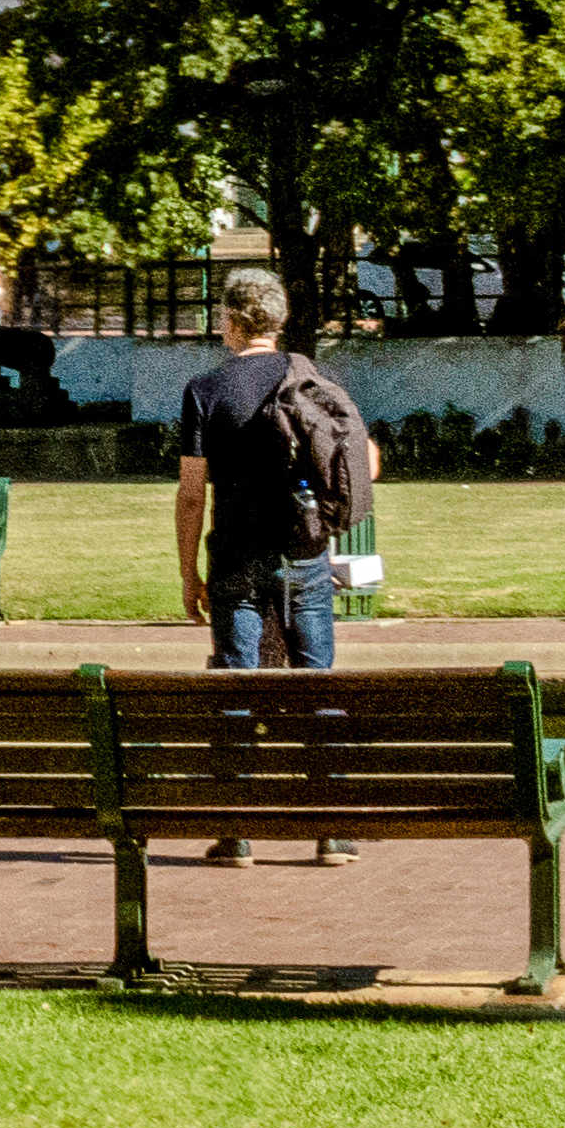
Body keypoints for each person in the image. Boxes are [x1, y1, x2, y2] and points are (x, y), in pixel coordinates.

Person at [173, 266, 376, 859]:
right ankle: (330, 828)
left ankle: (236, 831)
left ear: (233, 320)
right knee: (317, 681)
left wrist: (189, 572)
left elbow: (192, 491)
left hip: (237, 557)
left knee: (237, 683)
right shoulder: (317, 378)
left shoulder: (205, 390)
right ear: (278, 320)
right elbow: (364, 462)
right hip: (305, 552)